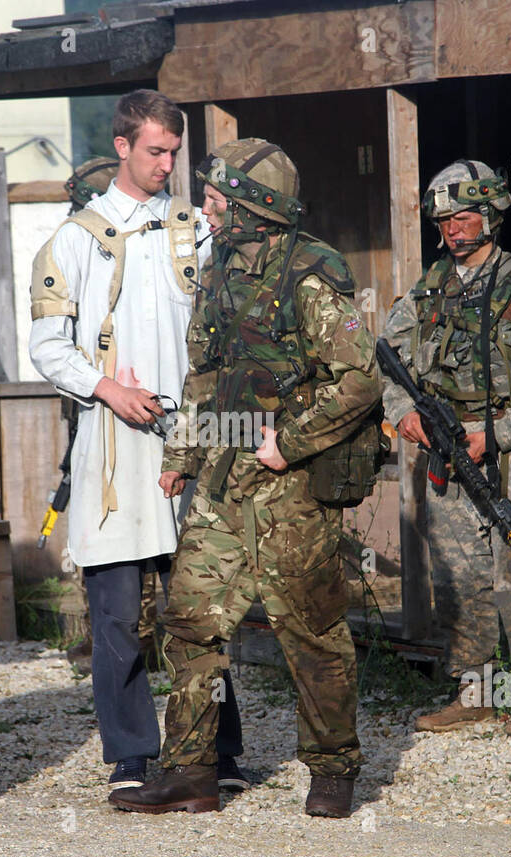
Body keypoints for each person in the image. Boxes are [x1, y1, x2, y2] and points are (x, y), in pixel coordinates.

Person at [109, 137, 382, 818]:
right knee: (191, 624)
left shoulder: (311, 275)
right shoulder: (219, 266)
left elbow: (359, 380)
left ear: (255, 207)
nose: (204, 205)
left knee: (311, 633)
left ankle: (333, 768)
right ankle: (191, 774)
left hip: (292, 488)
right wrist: (183, 455)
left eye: (216, 196)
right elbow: (203, 375)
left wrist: (289, 445)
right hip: (225, 485)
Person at [29, 91, 246, 793]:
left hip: (193, 440)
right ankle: (130, 755)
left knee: (202, 606)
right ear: (122, 146)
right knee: (118, 611)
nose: (167, 164)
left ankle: (216, 750)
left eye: (174, 153)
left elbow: (226, 323)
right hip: (113, 446)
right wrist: (106, 388)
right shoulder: (73, 239)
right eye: (155, 150)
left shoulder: (194, 231)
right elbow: (46, 346)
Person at [380, 160, 511, 739]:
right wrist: (404, 413)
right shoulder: (427, 289)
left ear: (491, 216)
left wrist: (501, 432)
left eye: (464, 218)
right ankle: (477, 691)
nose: (454, 231)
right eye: (444, 222)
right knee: (461, 576)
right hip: (445, 452)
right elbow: (388, 364)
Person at [54, 156, 165, 678]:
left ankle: (145, 642)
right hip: (97, 422)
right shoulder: (71, 243)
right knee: (111, 555)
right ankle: (113, 641)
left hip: (149, 423)